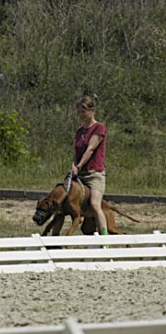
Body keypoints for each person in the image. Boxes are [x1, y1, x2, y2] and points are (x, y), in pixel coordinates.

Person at [71, 94, 108, 235]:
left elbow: (90, 149)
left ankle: (105, 239)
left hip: (94, 174)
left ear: (91, 110)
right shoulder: (79, 131)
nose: (81, 114)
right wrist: (74, 165)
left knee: (94, 204)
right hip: (80, 173)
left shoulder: (99, 128)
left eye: (83, 111)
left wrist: (79, 165)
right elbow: (76, 151)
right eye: (79, 111)